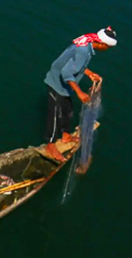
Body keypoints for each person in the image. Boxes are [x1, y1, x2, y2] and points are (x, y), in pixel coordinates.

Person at [43, 27, 116, 160]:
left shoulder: (87, 44)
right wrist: (80, 92)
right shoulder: (83, 51)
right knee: (54, 116)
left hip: (65, 87)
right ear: (102, 44)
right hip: (56, 84)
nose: (107, 50)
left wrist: (89, 73)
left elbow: (75, 63)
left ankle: (65, 136)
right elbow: (66, 73)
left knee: (68, 111)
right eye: (108, 47)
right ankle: (50, 146)